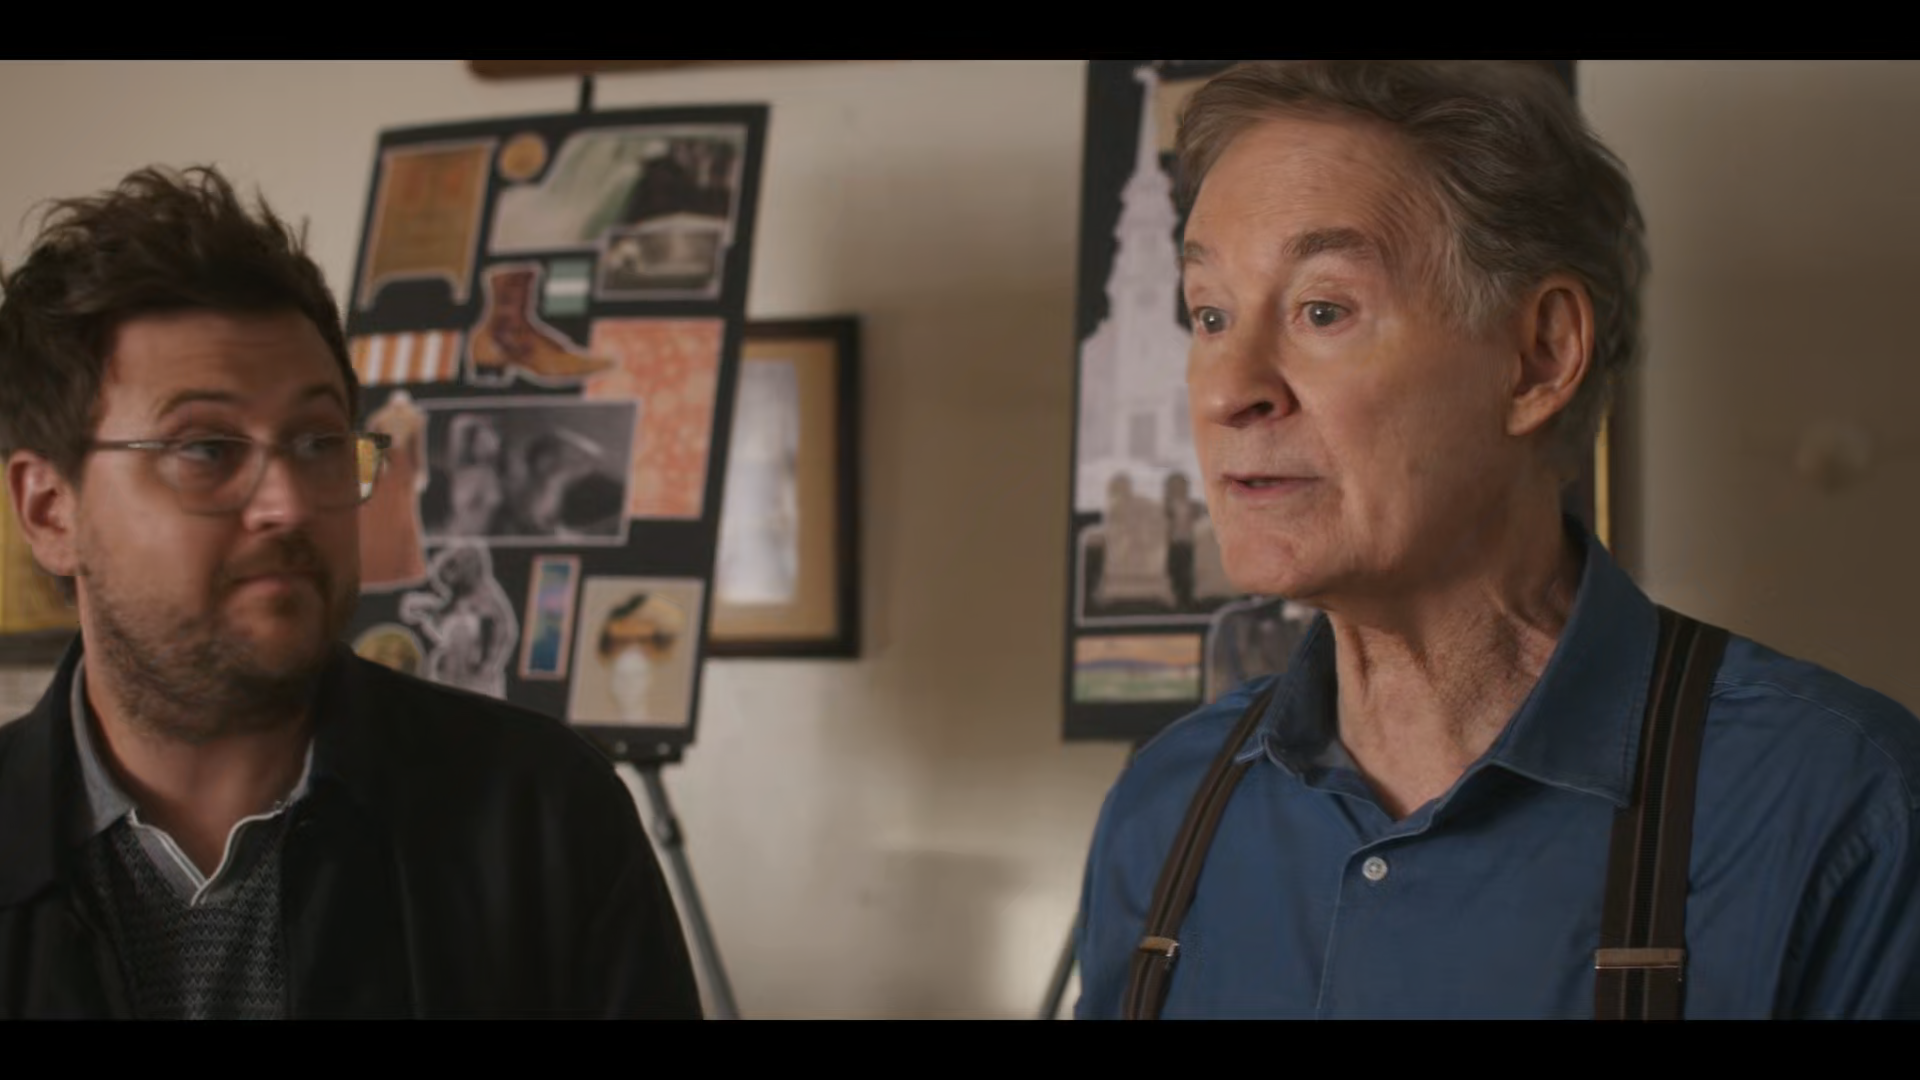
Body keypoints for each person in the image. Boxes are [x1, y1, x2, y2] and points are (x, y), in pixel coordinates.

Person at [1074, 60, 1920, 1019]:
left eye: (1323, 309)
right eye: (1209, 314)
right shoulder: (1164, 809)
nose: (1230, 390)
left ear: (1538, 358)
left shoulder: (1834, 805)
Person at [0, 165, 701, 1019]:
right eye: (206, 449)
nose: (291, 503)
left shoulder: (545, 821)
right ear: (50, 510)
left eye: (318, 442)